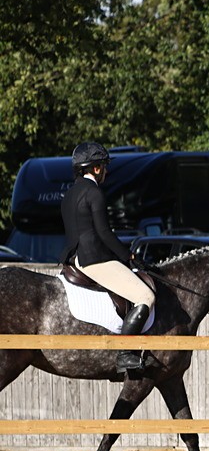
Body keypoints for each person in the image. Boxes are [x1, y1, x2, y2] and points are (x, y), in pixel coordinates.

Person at [60, 142, 155, 373]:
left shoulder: (69, 194)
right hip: (95, 259)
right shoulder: (94, 193)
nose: (106, 171)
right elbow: (104, 233)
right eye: (103, 166)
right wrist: (128, 255)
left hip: (75, 259)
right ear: (95, 169)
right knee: (145, 295)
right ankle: (125, 354)